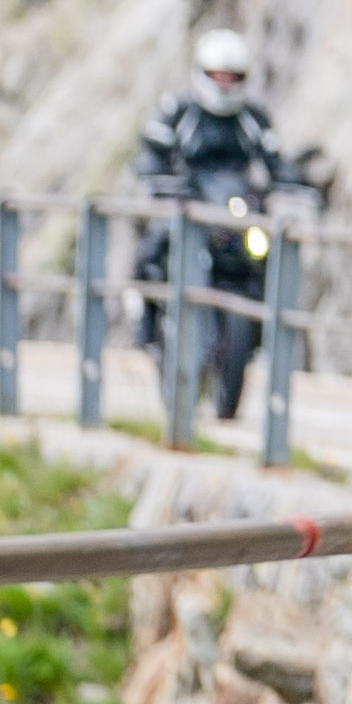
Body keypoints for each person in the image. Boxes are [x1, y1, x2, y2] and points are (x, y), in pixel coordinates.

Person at [127, 28, 296, 416]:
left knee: (268, 260)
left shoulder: (252, 118)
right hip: (188, 206)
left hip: (236, 213)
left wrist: (295, 182)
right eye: (217, 75)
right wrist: (161, 180)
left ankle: (263, 334)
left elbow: (277, 162)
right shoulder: (180, 112)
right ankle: (145, 315)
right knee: (153, 250)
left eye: (231, 76)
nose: (224, 84)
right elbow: (151, 154)